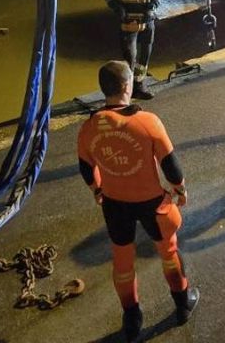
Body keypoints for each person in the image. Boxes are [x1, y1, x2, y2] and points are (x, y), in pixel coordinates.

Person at [77, 61, 199, 342]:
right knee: (168, 251)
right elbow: (171, 166)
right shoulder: (147, 122)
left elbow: (86, 167)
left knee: (122, 261)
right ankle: (182, 303)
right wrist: (180, 190)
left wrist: (98, 190)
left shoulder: (89, 127)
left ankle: (132, 319)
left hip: (114, 203)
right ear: (126, 86)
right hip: (152, 202)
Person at [105, 0, 163, 100]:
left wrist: (152, 7)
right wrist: (118, 8)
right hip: (128, 22)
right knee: (130, 58)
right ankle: (126, 90)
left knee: (144, 56)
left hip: (147, 21)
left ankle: (139, 86)